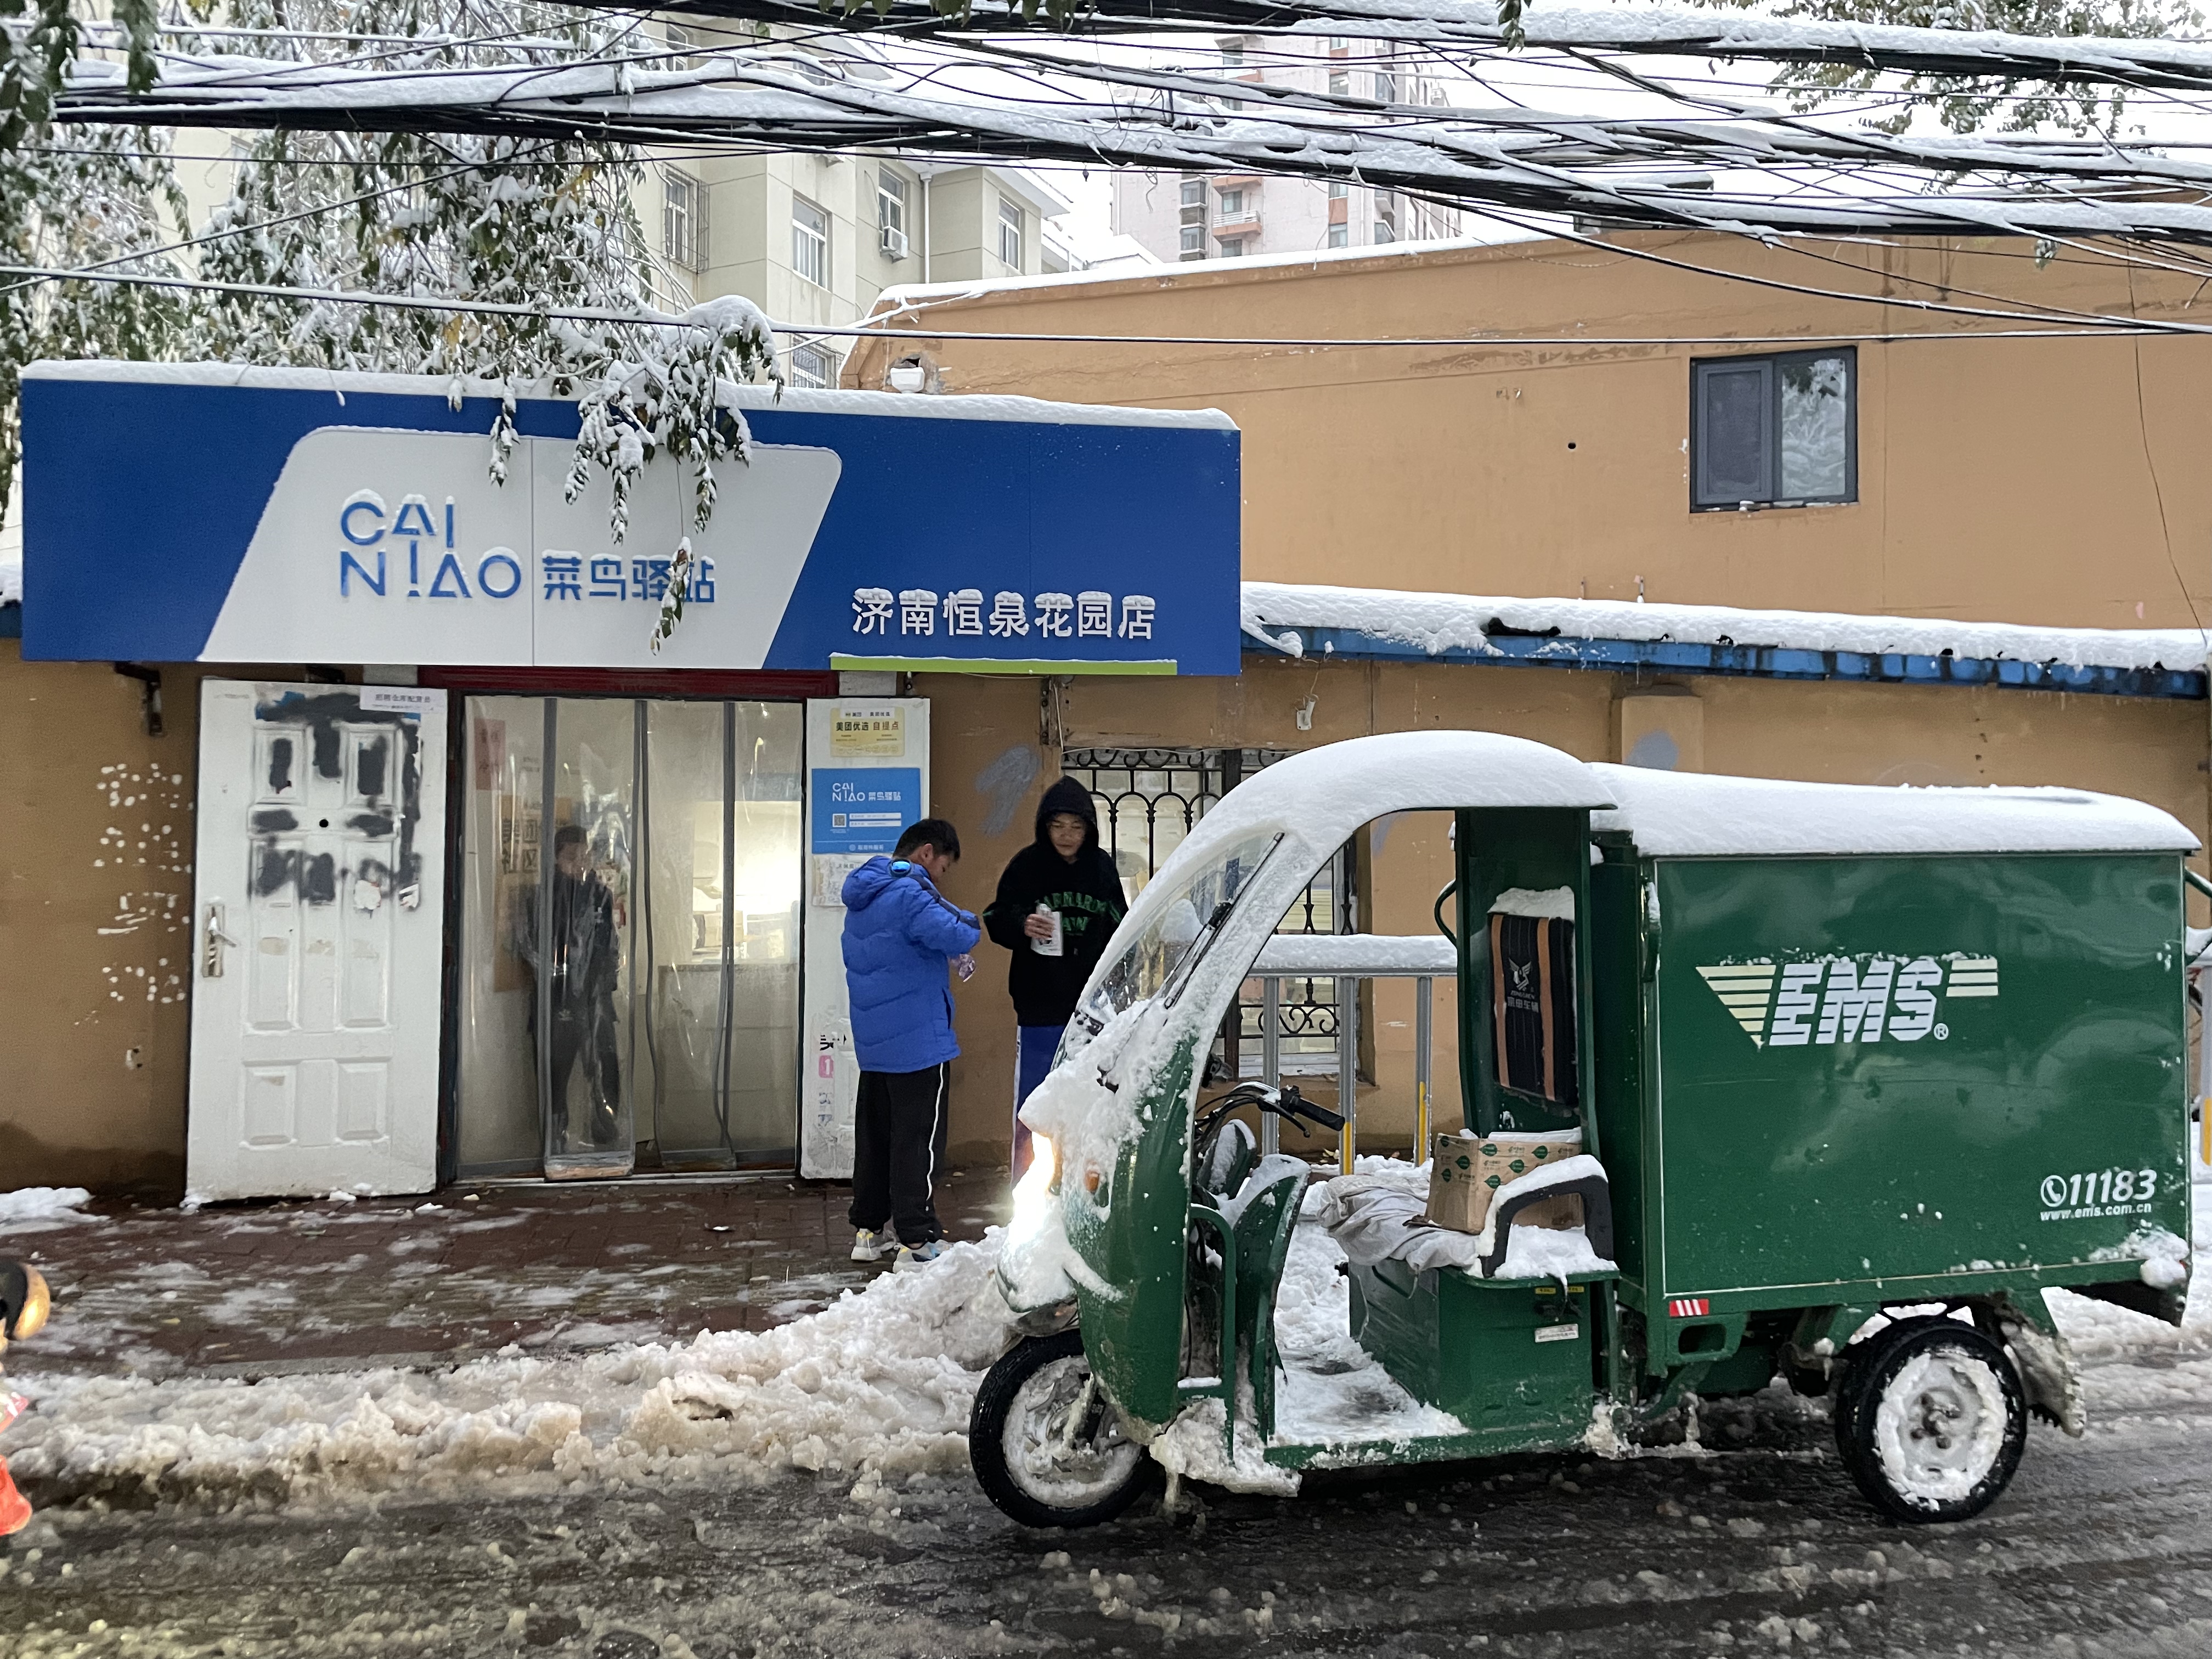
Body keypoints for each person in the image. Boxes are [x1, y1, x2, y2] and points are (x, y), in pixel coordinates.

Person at [842, 817, 981, 1269]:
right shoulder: (910, 895)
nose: (941, 875)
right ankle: (917, 1241)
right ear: (926, 853)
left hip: (875, 1046)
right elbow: (962, 934)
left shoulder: (865, 896)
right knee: (916, 1143)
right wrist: (962, 912)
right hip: (919, 1044)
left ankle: (868, 1231)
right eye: (942, 866)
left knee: (877, 1140)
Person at [983, 778, 1128, 1180]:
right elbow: (994, 918)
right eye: (1058, 826)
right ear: (1045, 827)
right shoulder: (1027, 866)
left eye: (1076, 827)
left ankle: (1082, 1184)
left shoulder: (1101, 869)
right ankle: (1027, 1186)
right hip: (1039, 1008)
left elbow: (1124, 927)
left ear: (1089, 830)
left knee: (1089, 1101)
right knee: (1035, 1103)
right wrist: (1022, 924)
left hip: (1091, 1011)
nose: (1067, 836)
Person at [518, 824, 623, 1151]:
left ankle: (604, 1132)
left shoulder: (600, 897)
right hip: (556, 1000)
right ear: (555, 858)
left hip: (596, 999)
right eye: (571, 857)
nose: (579, 864)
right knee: (555, 1075)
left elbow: (611, 948)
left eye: (584, 856)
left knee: (605, 1067)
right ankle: (556, 1141)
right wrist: (558, 980)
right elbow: (527, 947)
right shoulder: (542, 897)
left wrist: (599, 988)